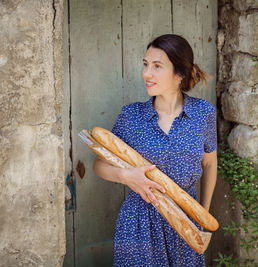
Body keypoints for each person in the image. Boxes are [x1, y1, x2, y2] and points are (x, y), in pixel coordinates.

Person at [93, 34, 218, 267]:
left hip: (185, 222)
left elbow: (210, 164)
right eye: (145, 64)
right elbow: (99, 164)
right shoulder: (131, 116)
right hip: (139, 222)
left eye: (157, 66)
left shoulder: (203, 113)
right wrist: (125, 176)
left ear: (179, 74)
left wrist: (201, 216)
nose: (146, 73)